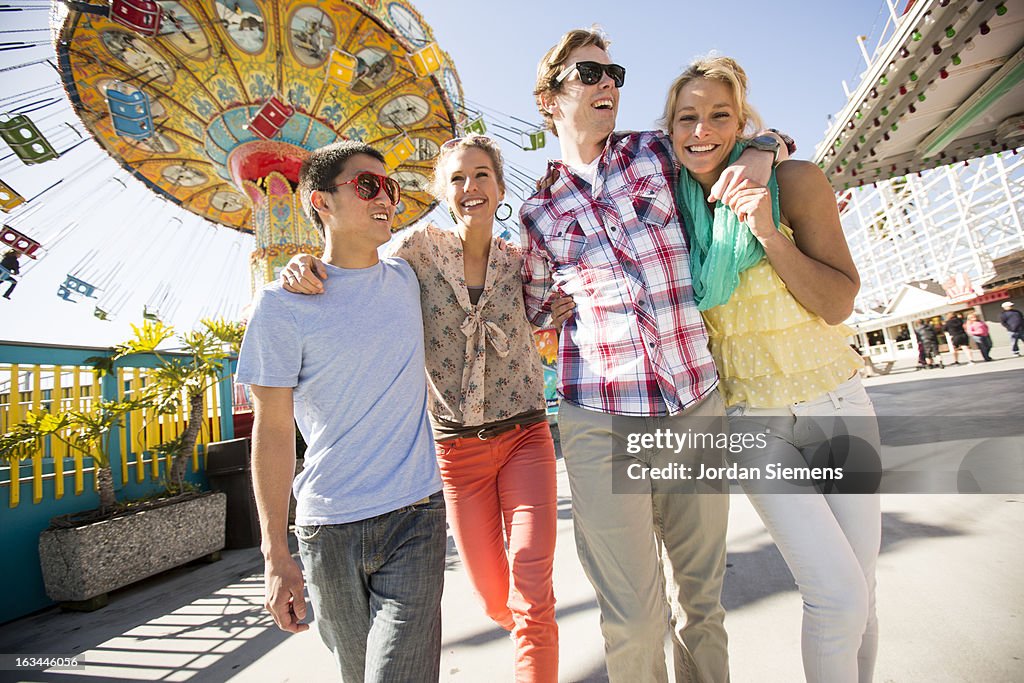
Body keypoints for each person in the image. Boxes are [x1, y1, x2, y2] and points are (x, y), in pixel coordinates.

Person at [520, 28, 782, 683]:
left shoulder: (653, 152)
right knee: (634, 620)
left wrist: (764, 152)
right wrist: (540, 312)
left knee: (703, 606)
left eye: (616, 74)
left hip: (695, 400)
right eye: (590, 73)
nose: (609, 83)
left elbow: (732, 139)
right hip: (601, 420)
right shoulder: (534, 213)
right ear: (550, 97)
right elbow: (524, 308)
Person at [280, 135, 574, 682]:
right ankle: (520, 624)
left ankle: (536, 653)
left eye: (482, 174)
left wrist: (560, 305)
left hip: (526, 436)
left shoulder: (519, 261)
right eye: (458, 178)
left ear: (500, 186)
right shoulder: (415, 253)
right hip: (456, 452)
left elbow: (550, 303)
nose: (471, 187)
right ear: (443, 191)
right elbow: (352, 270)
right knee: (493, 594)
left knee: (533, 581)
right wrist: (302, 263)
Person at [657, 55, 880, 683]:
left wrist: (770, 234)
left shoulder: (795, 181)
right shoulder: (670, 212)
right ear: (669, 130)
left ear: (741, 120)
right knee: (836, 596)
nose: (702, 131)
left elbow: (838, 304)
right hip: (753, 422)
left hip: (838, 404)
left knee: (863, 594)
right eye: (687, 118)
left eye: (719, 116)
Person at [236, 140, 447, 682]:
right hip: (327, 530)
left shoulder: (409, 278)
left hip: (415, 515)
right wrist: (274, 554)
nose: (387, 200)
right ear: (320, 201)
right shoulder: (281, 307)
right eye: (368, 185)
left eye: (392, 188)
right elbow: (274, 430)